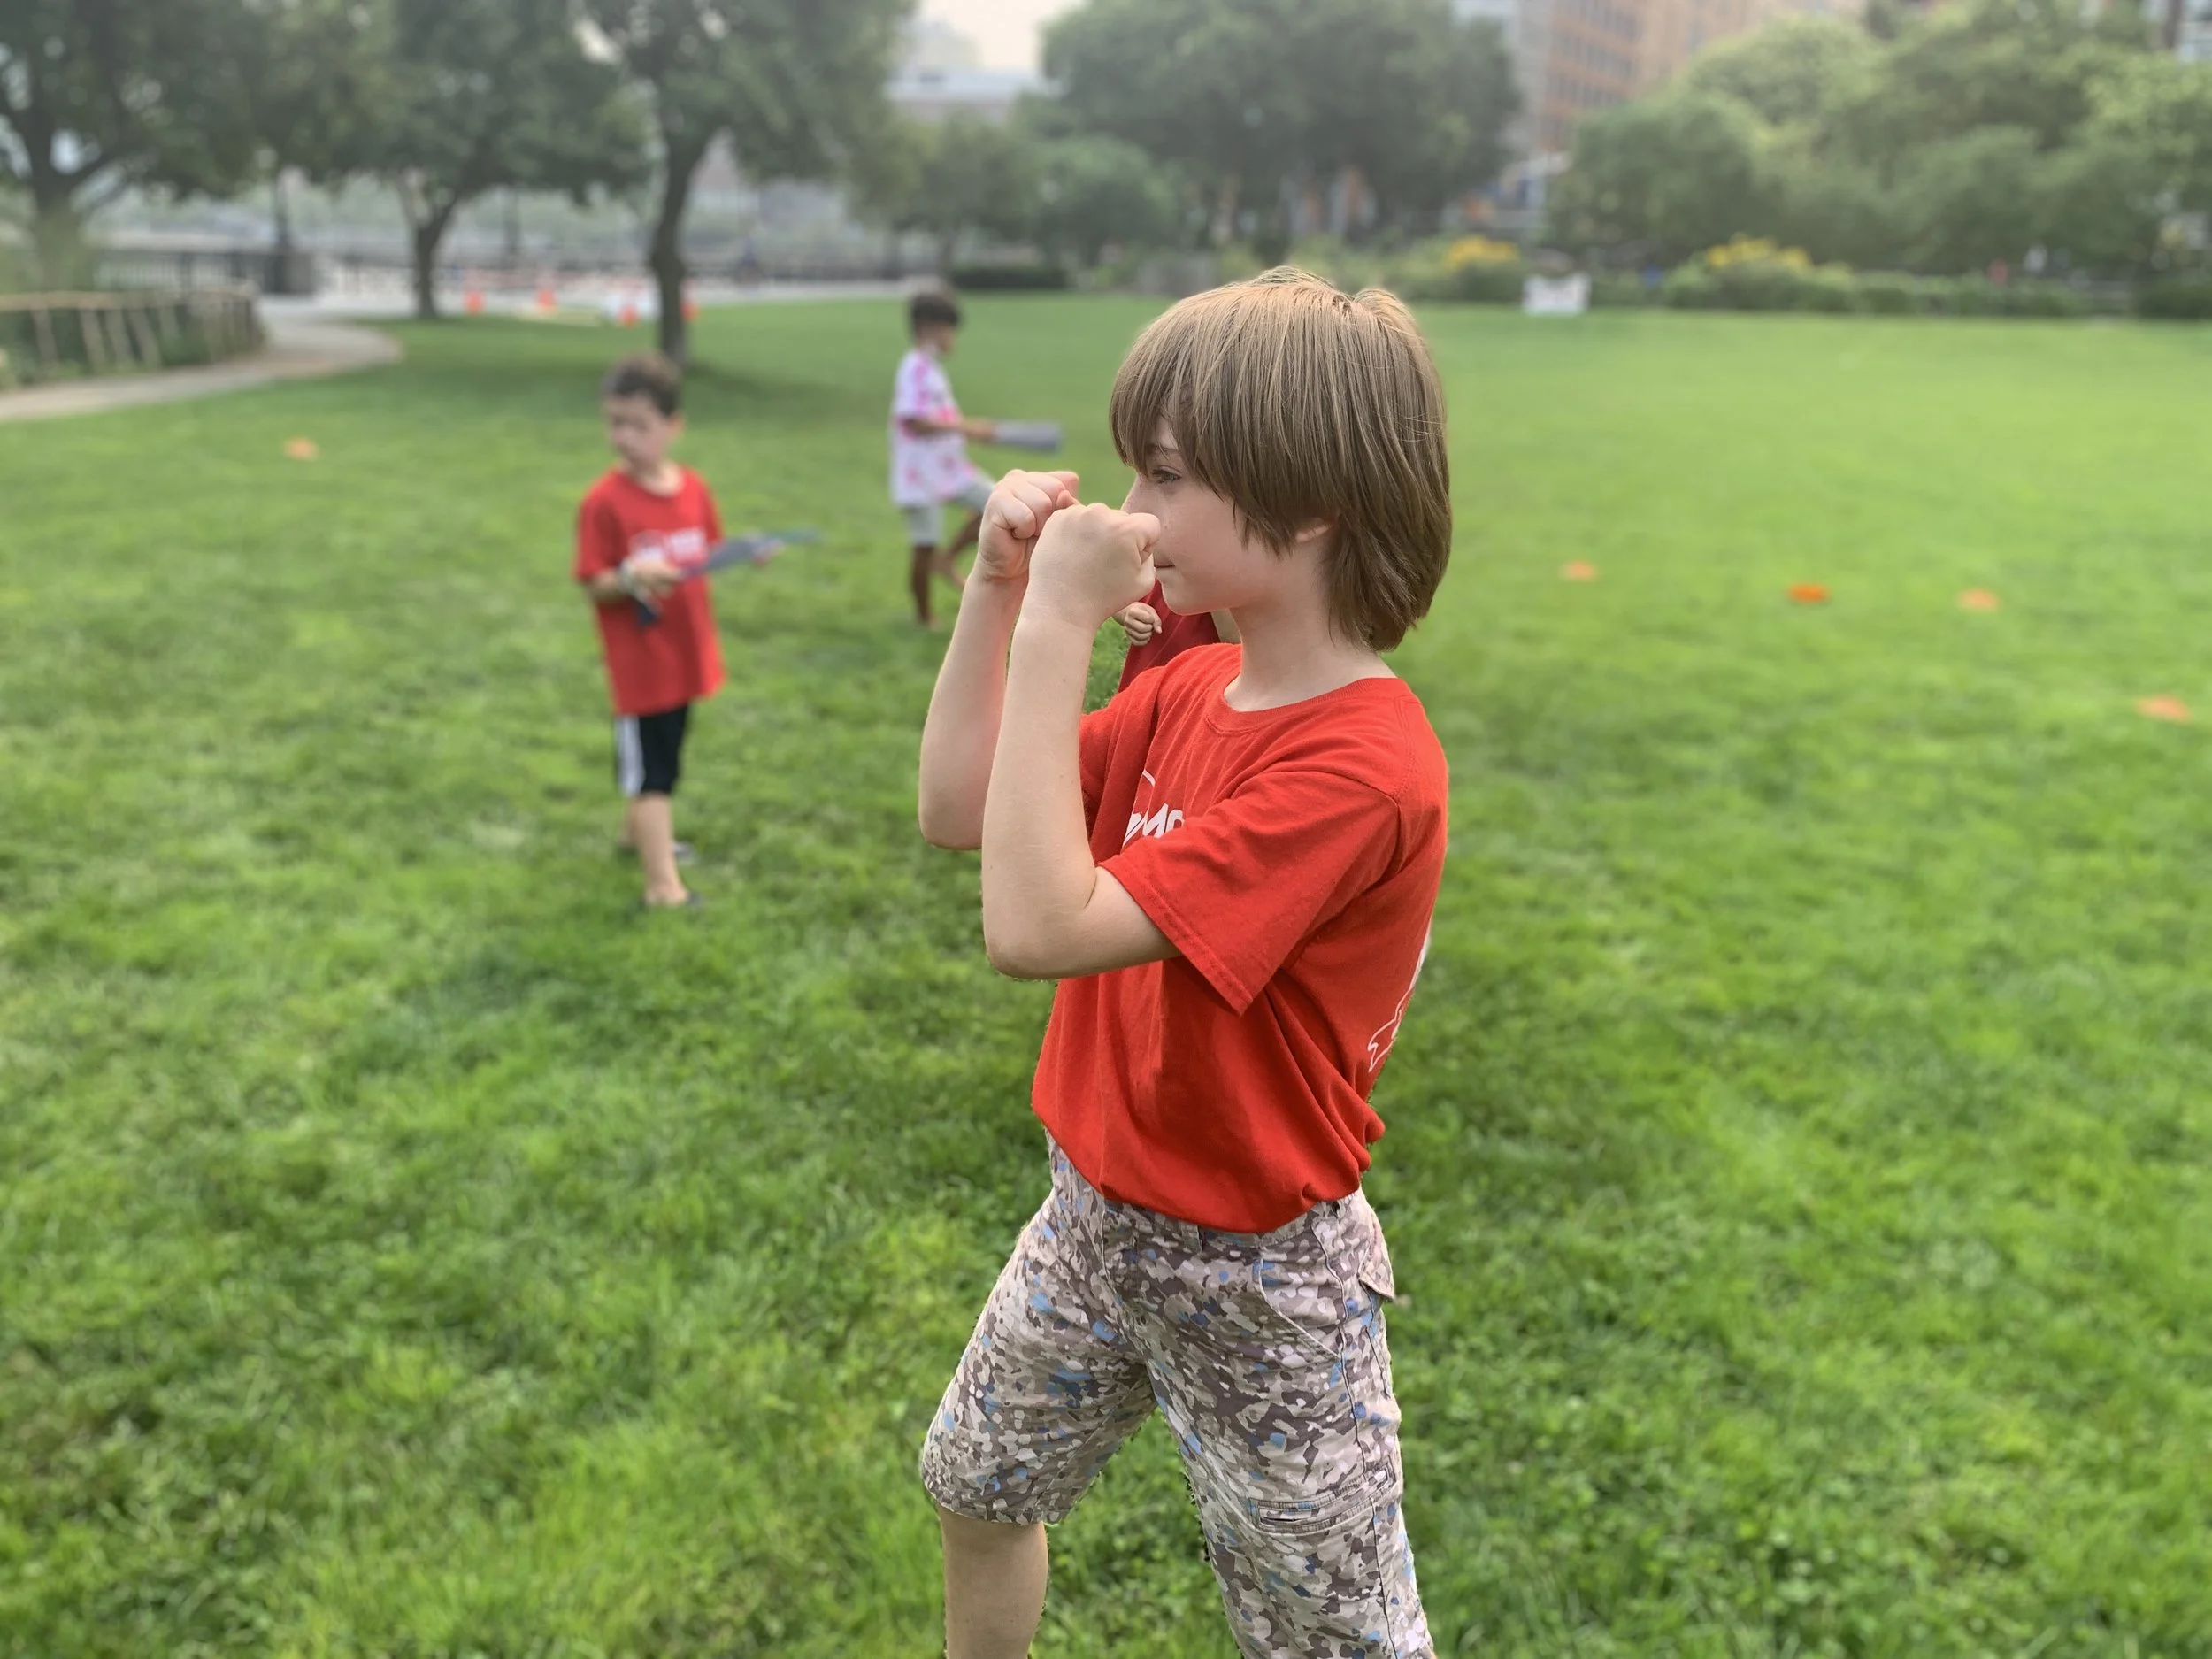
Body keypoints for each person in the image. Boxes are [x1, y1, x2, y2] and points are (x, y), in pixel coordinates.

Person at [915, 269, 1455, 1658]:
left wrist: (1059, 626)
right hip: (1091, 1220)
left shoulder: (1363, 760)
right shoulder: (1189, 685)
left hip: (1260, 1278)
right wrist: (996, 590)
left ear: (1308, 493)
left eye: (1165, 473)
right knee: (976, 1483)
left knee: (1331, 1638)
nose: (1133, 510)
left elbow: (1033, 926)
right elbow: (961, 810)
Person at [573, 352, 725, 910]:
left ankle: (635, 834)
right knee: (653, 774)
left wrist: (743, 553)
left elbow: (702, 551)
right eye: (615, 423)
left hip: (685, 655)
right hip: (641, 669)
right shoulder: (603, 503)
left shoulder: (693, 490)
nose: (624, 437)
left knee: (666, 756)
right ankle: (664, 888)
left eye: (639, 425)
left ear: (673, 425)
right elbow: (593, 582)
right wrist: (631, 577)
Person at [891, 288, 1002, 627]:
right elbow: (912, 419)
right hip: (919, 473)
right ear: (927, 328)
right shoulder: (914, 368)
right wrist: (966, 428)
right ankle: (924, 618)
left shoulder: (930, 368)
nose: (951, 338)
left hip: (948, 468)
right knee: (923, 545)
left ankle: (948, 559)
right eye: (947, 329)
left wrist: (962, 431)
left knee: (996, 503)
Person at [1111, 579, 1240, 692]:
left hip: (1193, 693)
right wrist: (1128, 611)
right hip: (1141, 685)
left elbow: (1237, 641)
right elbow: (1114, 592)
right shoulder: (1152, 554)